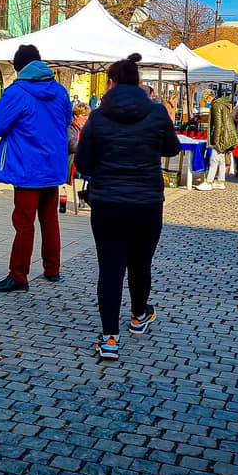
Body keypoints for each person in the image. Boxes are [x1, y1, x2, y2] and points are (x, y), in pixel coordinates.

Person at [75, 53, 180, 361]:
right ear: (138, 82)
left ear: (111, 82)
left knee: (109, 268)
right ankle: (137, 317)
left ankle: (109, 339)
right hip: (147, 201)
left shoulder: (97, 116)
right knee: (140, 263)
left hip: (107, 201)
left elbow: (82, 162)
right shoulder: (158, 112)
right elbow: (172, 149)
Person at [0, 45, 72, 293]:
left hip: (27, 168)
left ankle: (18, 275)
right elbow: (66, 121)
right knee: (50, 218)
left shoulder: (17, 92)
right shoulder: (59, 90)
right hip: (52, 166)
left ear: (19, 67)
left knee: (24, 222)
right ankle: (52, 269)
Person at [197, 93, 236, 191]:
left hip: (221, 136)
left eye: (206, 100)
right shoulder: (222, 104)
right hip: (226, 135)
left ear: (209, 97)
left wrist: (216, 137)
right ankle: (220, 181)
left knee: (214, 159)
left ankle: (209, 182)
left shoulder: (216, 105)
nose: (206, 102)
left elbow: (218, 123)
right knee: (221, 159)